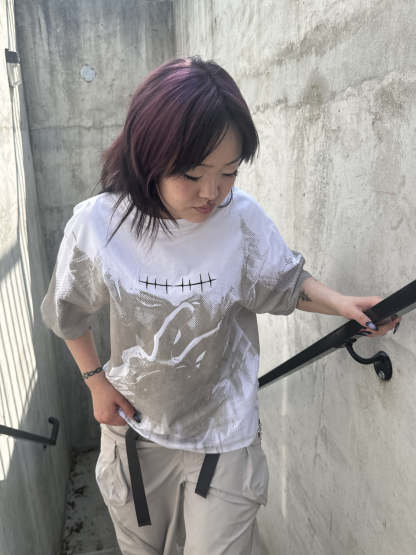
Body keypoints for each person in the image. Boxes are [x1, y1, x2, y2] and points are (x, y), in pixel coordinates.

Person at [40, 56, 400, 555]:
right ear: (148, 155)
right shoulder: (100, 224)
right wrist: (95, 382)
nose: (212, 192)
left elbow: (283, 282)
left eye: (229, 172)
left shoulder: (241, 218)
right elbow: (68, 310)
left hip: (225, 438)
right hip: (136, 434)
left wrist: (342, 304)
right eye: (192, 174)